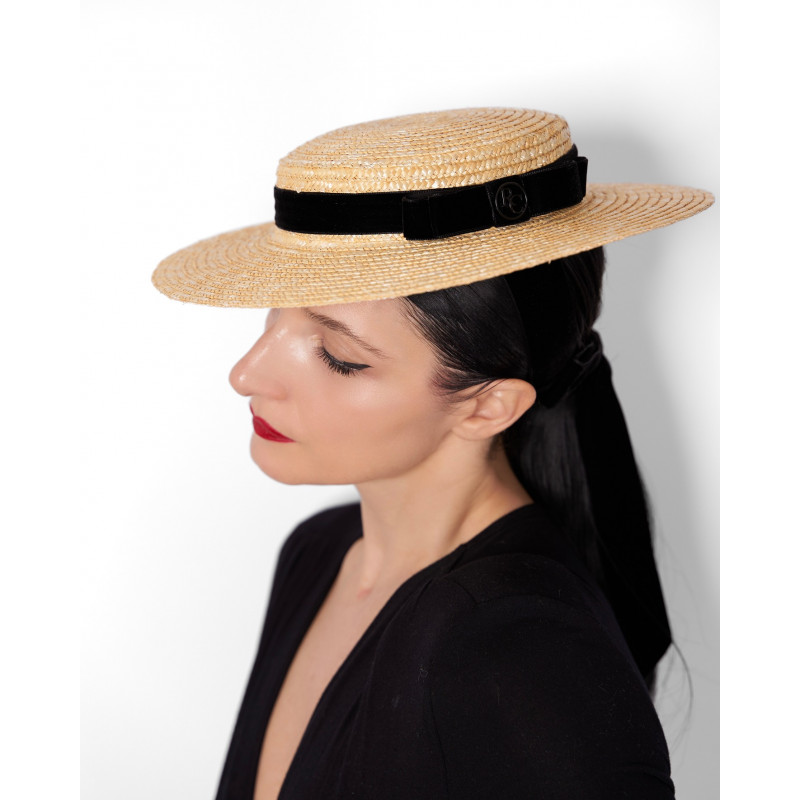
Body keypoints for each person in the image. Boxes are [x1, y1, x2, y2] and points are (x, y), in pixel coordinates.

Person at [152, 107, 713, 799]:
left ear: (487, 405)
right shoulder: (319, 553)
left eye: (338, 355)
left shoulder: (523, 641)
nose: (247, 374)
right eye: (275, 314)